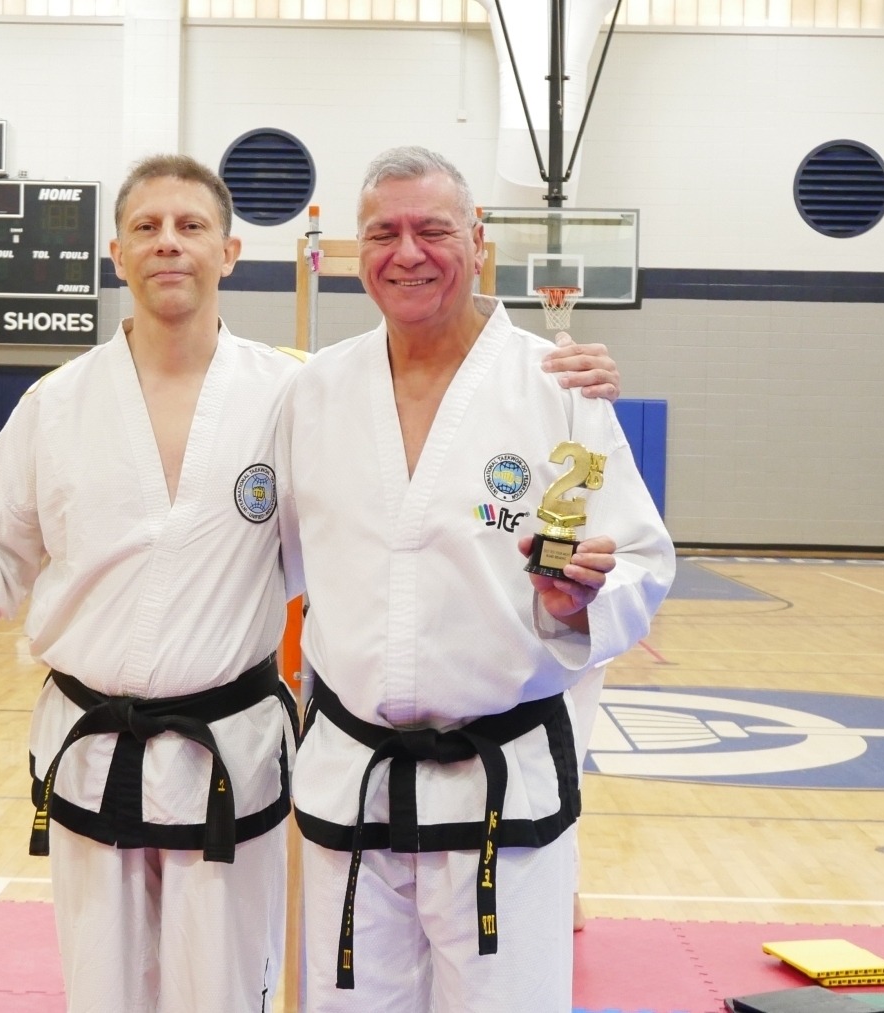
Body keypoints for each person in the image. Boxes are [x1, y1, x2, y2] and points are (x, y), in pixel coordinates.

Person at [0, 154, 627, 1013]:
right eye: (147, 227)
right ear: (116, 252)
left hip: (229, 752)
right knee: (101, 994)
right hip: (93, 744)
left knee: (227, 994)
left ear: (228, 252)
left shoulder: (295, 392)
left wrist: (555, 376)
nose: (168, 243)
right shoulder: (57, 402)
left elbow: (406, 484)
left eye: (191, 226)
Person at [278, 146, 675, 1013]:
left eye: (433, 229)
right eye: (383, 233)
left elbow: (645, 559)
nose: (407, 253)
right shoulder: (316, 391)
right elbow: (262, 549)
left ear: (479, 239)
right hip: (355, 780)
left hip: (503, 787)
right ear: (358, 248)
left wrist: (578, 605)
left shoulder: (555, 385)